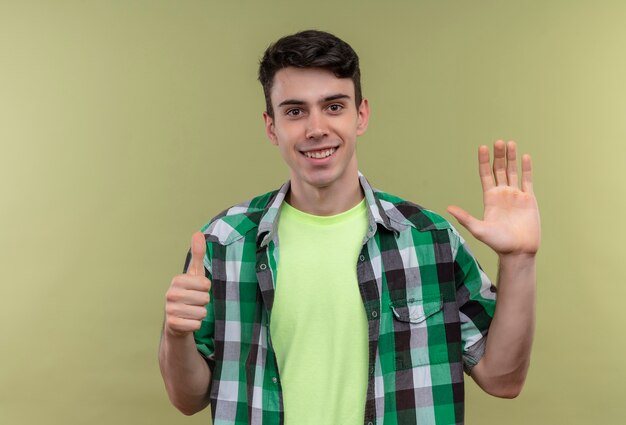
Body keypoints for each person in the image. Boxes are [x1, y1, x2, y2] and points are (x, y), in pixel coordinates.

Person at [159, 30, 540, 425]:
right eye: (294, 111)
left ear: (361, 115)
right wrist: (176, 335)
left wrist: (519, 260)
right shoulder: (224, 243)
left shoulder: (429, 239)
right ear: (271, 127)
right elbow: (188, 399)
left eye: (334, 106)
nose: (316, 128)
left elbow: (502, 379)